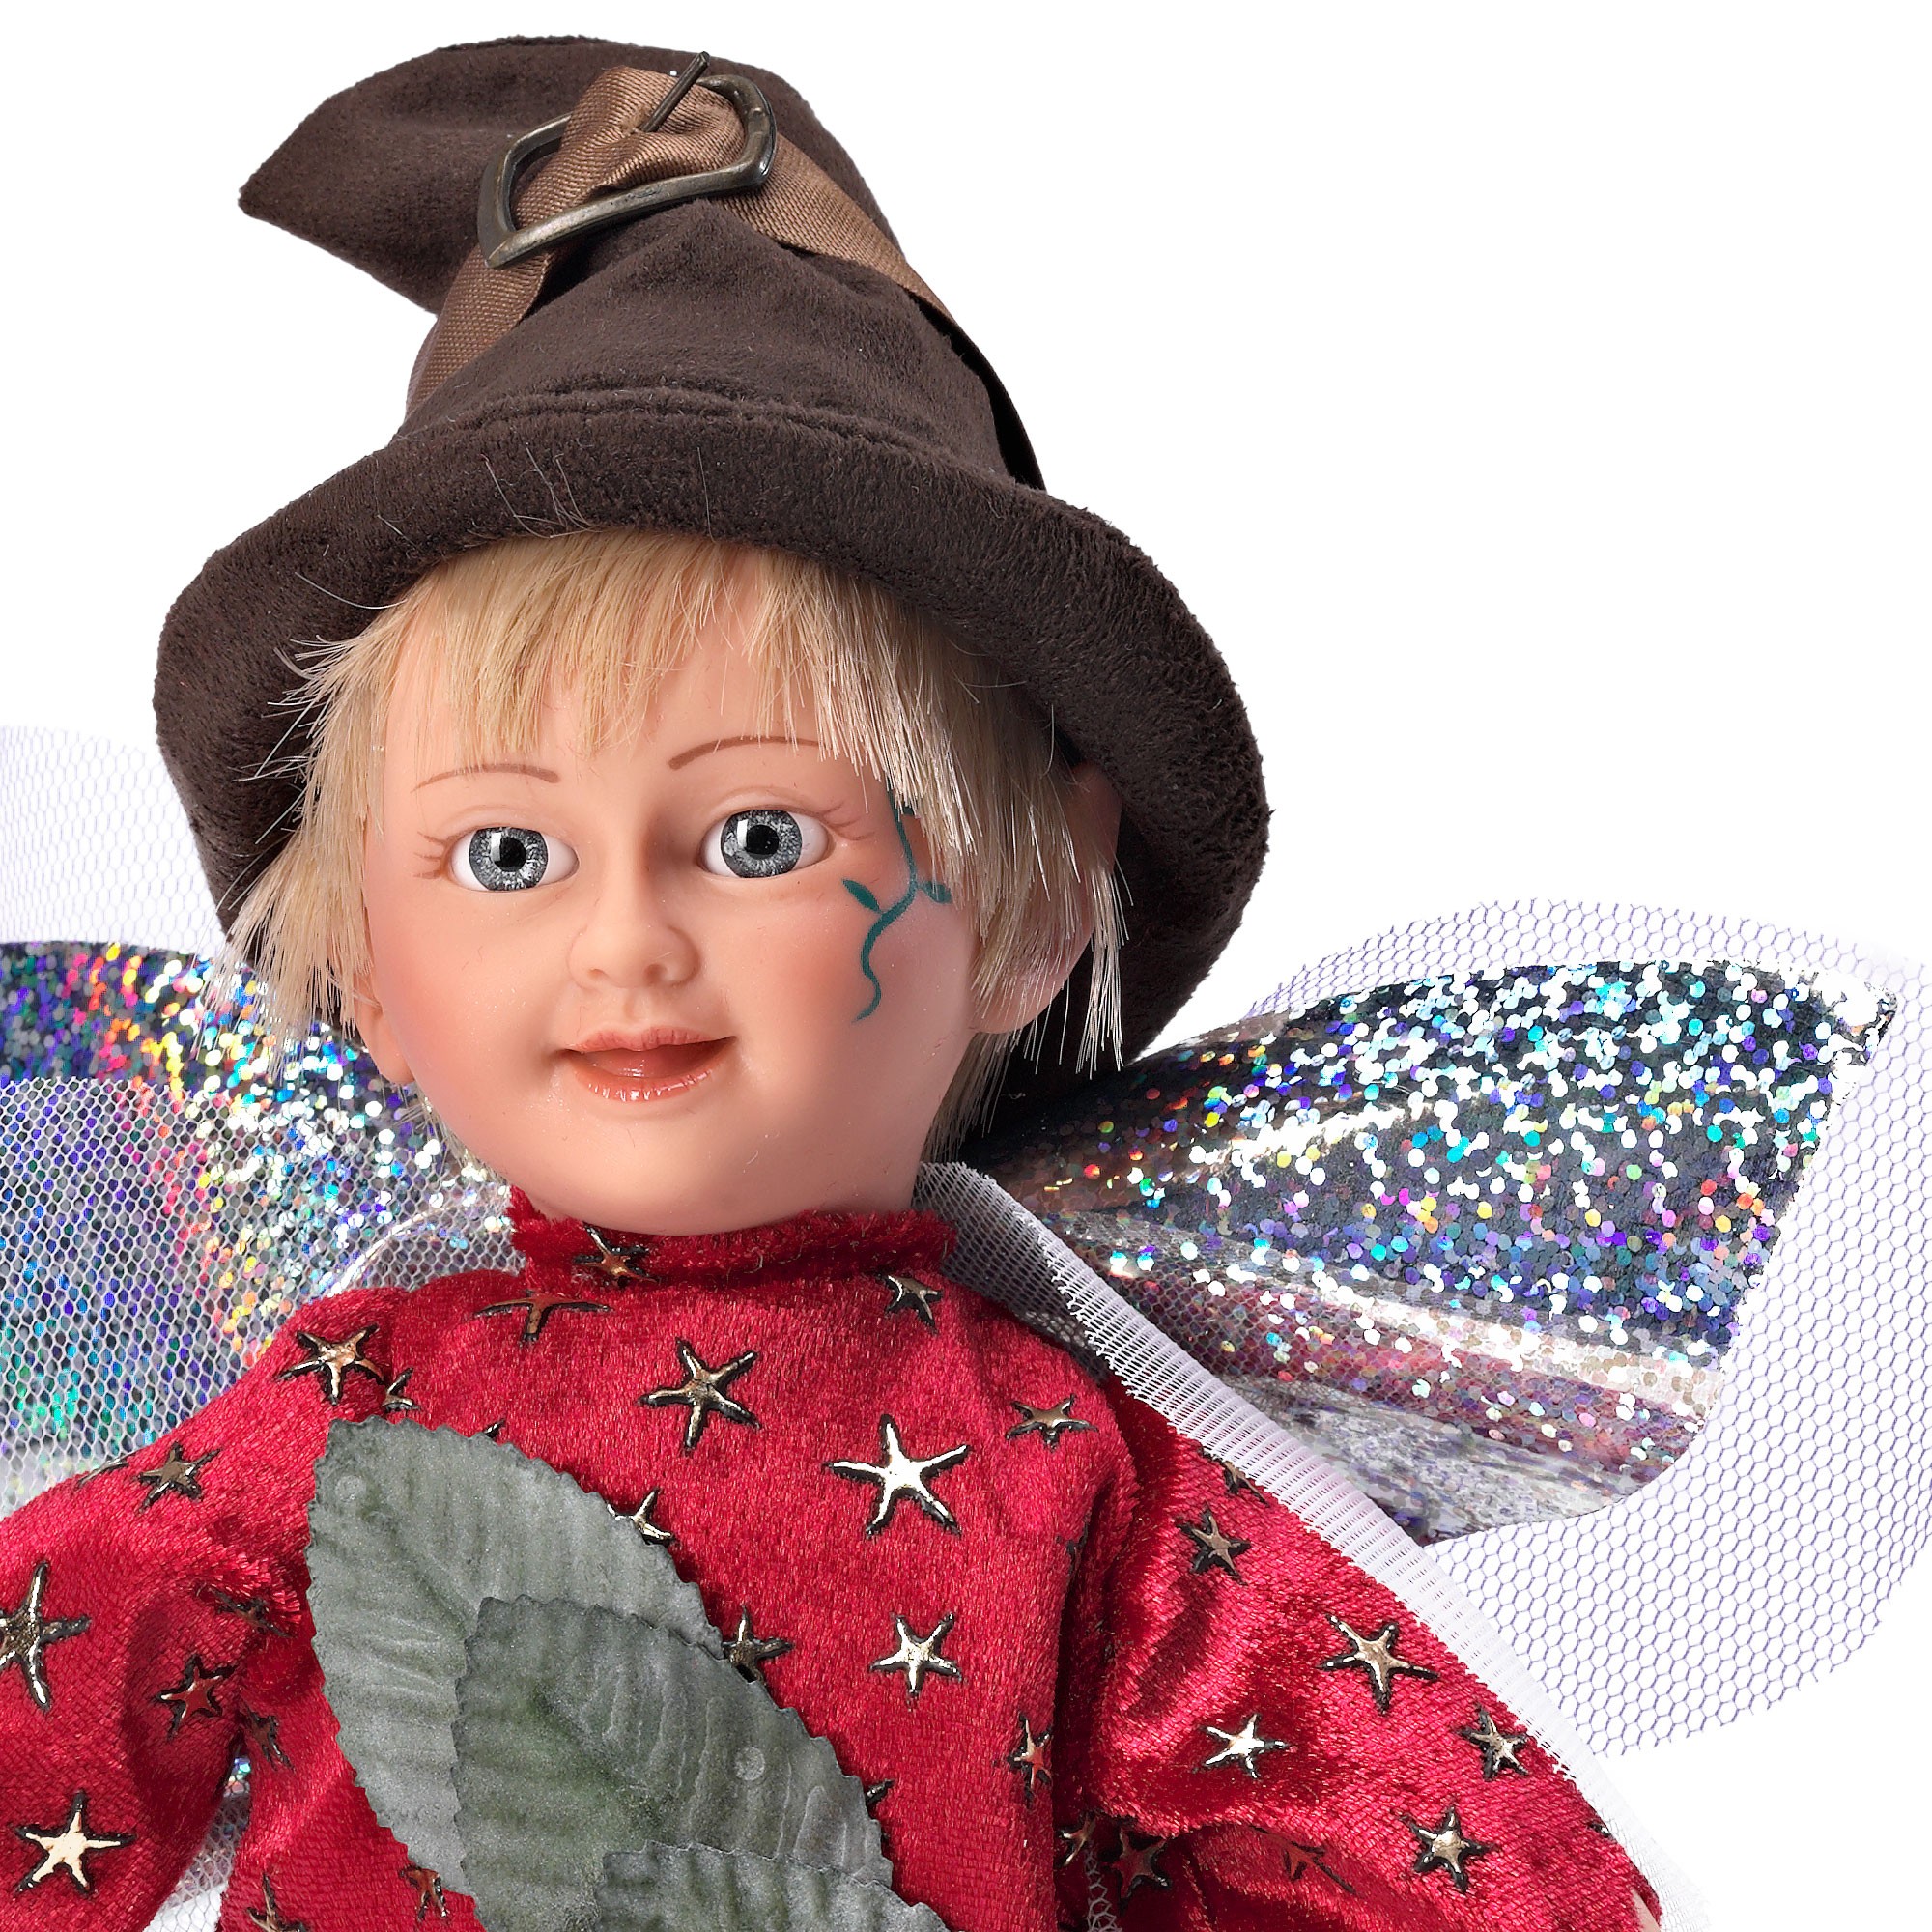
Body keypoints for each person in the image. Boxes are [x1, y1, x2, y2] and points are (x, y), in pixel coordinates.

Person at [0, 37, 1664, 1932]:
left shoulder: (1067, 1477)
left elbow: (1429, 1862)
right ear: (366, 962)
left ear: (1032, 912)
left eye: (759, 837)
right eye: (508, 854)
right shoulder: (338, 1424)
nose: (625, 940)